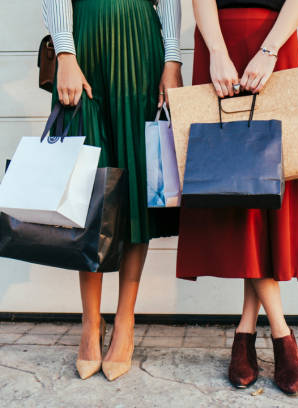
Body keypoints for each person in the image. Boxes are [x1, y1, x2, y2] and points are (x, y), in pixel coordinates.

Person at [177, 0, 298, 395]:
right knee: (234, 185)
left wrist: (270, 50)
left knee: (263, 188)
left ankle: (244, 332)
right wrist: (217, 53)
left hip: (274, 39)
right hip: (218, 40)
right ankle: (280, 332)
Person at [41, 0, 182, 381]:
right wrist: (65, 52)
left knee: (138, 181)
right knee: (86, 190)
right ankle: (90, 323)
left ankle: (125, 320)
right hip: (83, 39)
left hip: (140, 43)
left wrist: (172, 59)